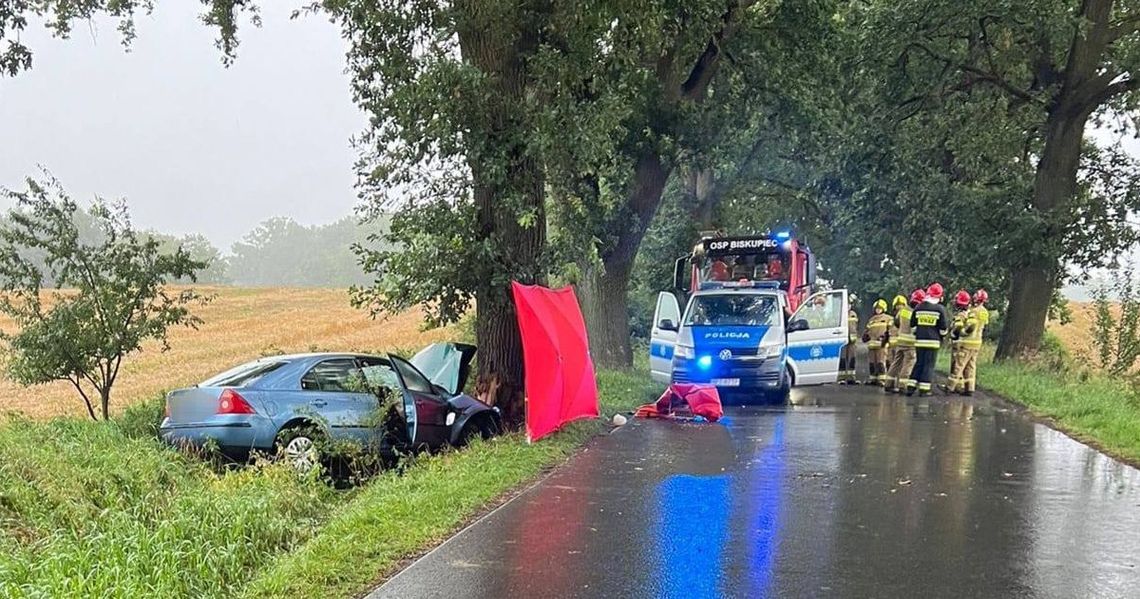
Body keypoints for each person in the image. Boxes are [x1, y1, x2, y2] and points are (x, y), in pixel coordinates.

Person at [909, 282, 949, 396]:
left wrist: (918, 332)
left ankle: (910, 387)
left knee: (919, 363)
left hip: (919, 341)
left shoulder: (919, 307)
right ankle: (924, 389)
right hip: (933, 342)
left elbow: (912, 325)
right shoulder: (940, 309)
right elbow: (943, 327)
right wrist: (942, 336)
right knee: (929, 365)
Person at [953, 289, 990, 395]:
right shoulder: (985, 312)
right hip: (978, 342)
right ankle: (969, 389)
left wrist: (962, 333)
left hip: (968, 342)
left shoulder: (974, 311)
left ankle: (950, 387)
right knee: (971, 366)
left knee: (959, 365)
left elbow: (971, 325)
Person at [885, 291, 920, 393]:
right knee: (908, 364)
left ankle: (888, 384)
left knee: (896, 363)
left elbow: (896, 322)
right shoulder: (916, 312)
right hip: (911, 343)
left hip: (900, 342)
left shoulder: (902, 311)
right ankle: (903, 385)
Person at [944, 290, 972, 392]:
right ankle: (961, 386)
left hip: (959, 343)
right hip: (966, 344)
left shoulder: (960, 315)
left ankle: (950, 387)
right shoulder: (969, 313)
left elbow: (958, 326)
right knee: (966, 367)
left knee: (956, 365)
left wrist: (954, 334)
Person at [864, 299, 893, 386]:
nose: (878, 310)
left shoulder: (888, 318)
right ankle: (873, 379)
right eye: (877, 308)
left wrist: (886, 339)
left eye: (880, 308)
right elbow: (867, 330)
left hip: (882, 345)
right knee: (872, 363)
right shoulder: (871, 320)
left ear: (884, 309)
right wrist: (865, 336)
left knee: (881, 362)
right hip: (872, 345)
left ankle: (882, 380)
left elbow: (891, 331)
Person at [839, 308, 859, 384]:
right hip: (843, 339)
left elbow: (856, 326)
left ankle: (851, 378)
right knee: (843, 358)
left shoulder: (853, 314)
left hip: (852, 340)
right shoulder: (841, 312)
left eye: (849, 304)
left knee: (852, 358)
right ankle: (841, 378)